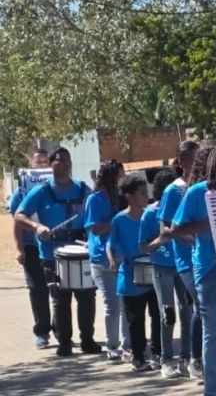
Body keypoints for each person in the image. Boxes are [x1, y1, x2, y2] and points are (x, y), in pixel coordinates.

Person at [173, 144, 216, 396]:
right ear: (215, 161)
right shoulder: (197, 192)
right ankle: (215, 392)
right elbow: (176, 228)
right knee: (211, 332)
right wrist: (206, 225)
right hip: (207, 269)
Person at [15, 147, 99, 357]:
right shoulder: (41, 191)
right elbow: (19, 215)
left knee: (87, 297)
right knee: (60, 300)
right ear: (51, 164)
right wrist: (37, 227)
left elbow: (95, 214)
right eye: (59, 160)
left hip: (81, 252)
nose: (64, 163)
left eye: (67, 159)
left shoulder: (83, 189)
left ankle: (87, 340)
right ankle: (64, 342)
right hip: (52, 255)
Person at [140, 169, 192, 378]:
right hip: (162, 267)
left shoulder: (184, 211)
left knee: (188, 311)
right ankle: (166, 359)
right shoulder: (150, 214)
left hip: (183, 265)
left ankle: (187, 358)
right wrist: (161, 239)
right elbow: (143, 247)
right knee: (167, 313)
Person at [158, 140, 202, 379]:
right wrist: (191, 239)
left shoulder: (203, 187)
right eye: (194, 159)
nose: (197, 164)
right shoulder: (173, 190)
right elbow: (165, 228)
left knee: (197, 309)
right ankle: (190, 358)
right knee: (197, 305)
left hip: (205, 257)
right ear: (182, 162)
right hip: (186, 258)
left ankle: (192, 357)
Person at [108, 174, 157, 372]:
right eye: (142, 193)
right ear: (129, 196)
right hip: (130, 276)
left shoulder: (149, 215)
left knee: (157, 315)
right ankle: (138, 357)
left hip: (153, 272)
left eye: (147, 192)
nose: (146, 196)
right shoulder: (119, 220)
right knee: (135, 320)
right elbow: (111, 244)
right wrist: (112, 261)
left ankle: (157, 353)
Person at [85, 160, 128, 361]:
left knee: (125, 302)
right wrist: (117, 220)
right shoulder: (95, 199)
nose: (123, 178)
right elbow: (95, 229)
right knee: (112, 303)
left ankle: (127, 344)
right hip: (102, 258)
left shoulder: (122, 198)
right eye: (120, 175)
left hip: (123, 254)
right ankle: (112, 345)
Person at [10, 149, 52, 348]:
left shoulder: (56, 188)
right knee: (37, 289)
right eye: (38, 162)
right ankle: (42, 332)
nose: (42, 165)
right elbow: (17, 222)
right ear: (31, 166)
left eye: (45, 162)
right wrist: (19, 249)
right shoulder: (21, 192)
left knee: (58, 291)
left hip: (52, 246)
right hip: (31, 247)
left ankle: (62, 332)